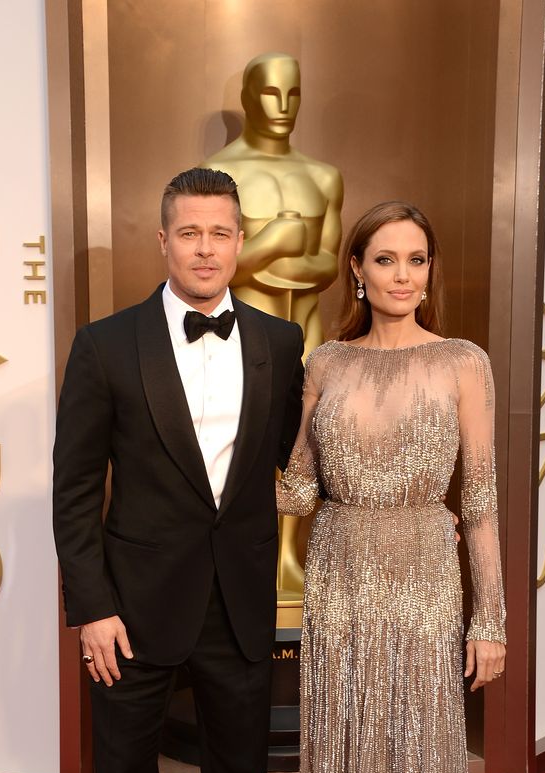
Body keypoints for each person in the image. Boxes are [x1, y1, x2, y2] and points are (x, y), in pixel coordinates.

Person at [51, 167, 304, 773]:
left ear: (241, 240)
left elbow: (285, 467)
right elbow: (77, 489)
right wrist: (92, 608)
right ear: (163, 240)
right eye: (190, 233)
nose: (206, 248)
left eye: (221, 233)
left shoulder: (282, 340)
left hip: (237, 609)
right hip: (130, 614)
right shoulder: (106, 346)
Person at [275, 201, 507, 773]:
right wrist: (224, 454)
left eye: (417, 259)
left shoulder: (462, 362)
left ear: (429, 271)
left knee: (415, 761)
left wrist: (491, 620)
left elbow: (477, 502)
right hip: (338, 578)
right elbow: (298, 490)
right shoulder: (325, 363)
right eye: (386, 259)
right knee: (342, 764)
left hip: (421, 576)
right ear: (357, 272)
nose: (404, 275)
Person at [203, 51, 344, 601]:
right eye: (269, 93)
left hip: (305, 325)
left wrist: (271, 256)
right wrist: (277, 245)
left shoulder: (323, 176)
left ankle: (290, 554)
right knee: (241, 442)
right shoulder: (222, 175)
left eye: (293, 94)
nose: (283, 106)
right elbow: (211, 263)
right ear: (246, 98)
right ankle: (247, 552)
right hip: (240, 330)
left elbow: (329, 262)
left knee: (307, 443)